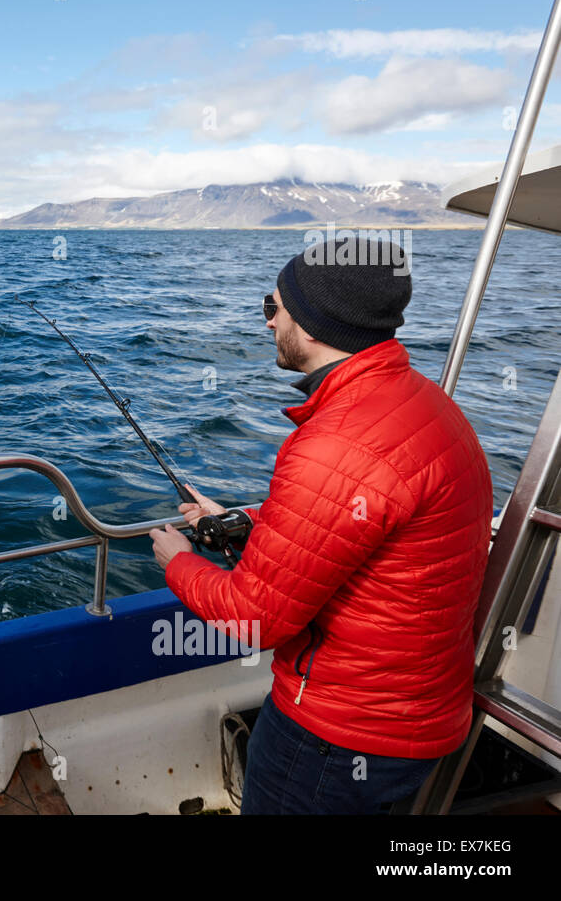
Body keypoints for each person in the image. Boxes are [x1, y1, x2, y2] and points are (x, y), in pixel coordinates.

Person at [148, 237, 494, 814]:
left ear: (309, 325)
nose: (268, 322)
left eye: (272, 307)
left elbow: (256, 617)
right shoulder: (424, 404)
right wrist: (241, 521)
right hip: (419, 714)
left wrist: (178, 563)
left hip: (339, 735)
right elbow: (355, 521)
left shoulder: (335, 443)